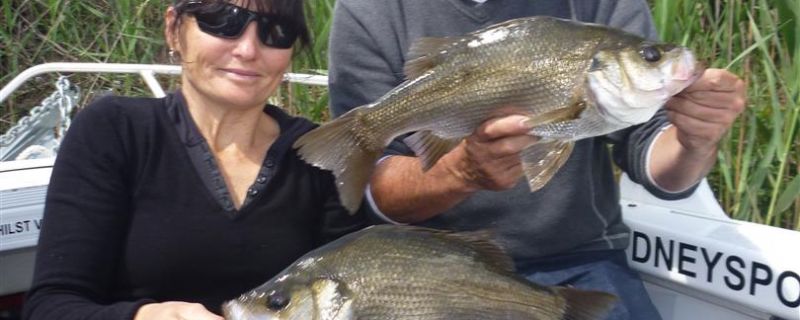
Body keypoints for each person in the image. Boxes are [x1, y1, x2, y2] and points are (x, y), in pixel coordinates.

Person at [328, 0, 746, 318]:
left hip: (581, 258)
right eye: (651, 57)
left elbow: (650, 150)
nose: (660, 62)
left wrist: (694, 141)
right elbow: (378, 191)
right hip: (431, 270)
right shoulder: (369, 10)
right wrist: (459, 173)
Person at [22, 1, 367, 319]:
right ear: (174, 29)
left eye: (276, 31)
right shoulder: (114, 130)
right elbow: (51, 305)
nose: (248, 49)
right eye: (222, 21)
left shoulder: (320, 153)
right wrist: (147, 316)